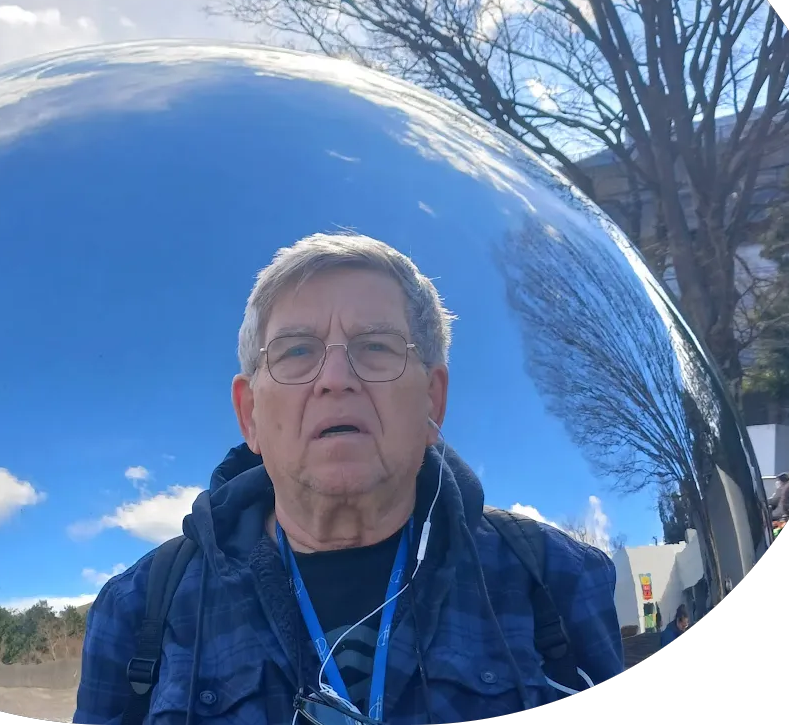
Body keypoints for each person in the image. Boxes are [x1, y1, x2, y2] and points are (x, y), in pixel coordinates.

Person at [76, 232, 624, 724]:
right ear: (249, 415)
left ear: (432, 401)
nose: (336, 379)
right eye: (296, 351)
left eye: (375, 347)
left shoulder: (555, 578)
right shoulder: (138, 609)